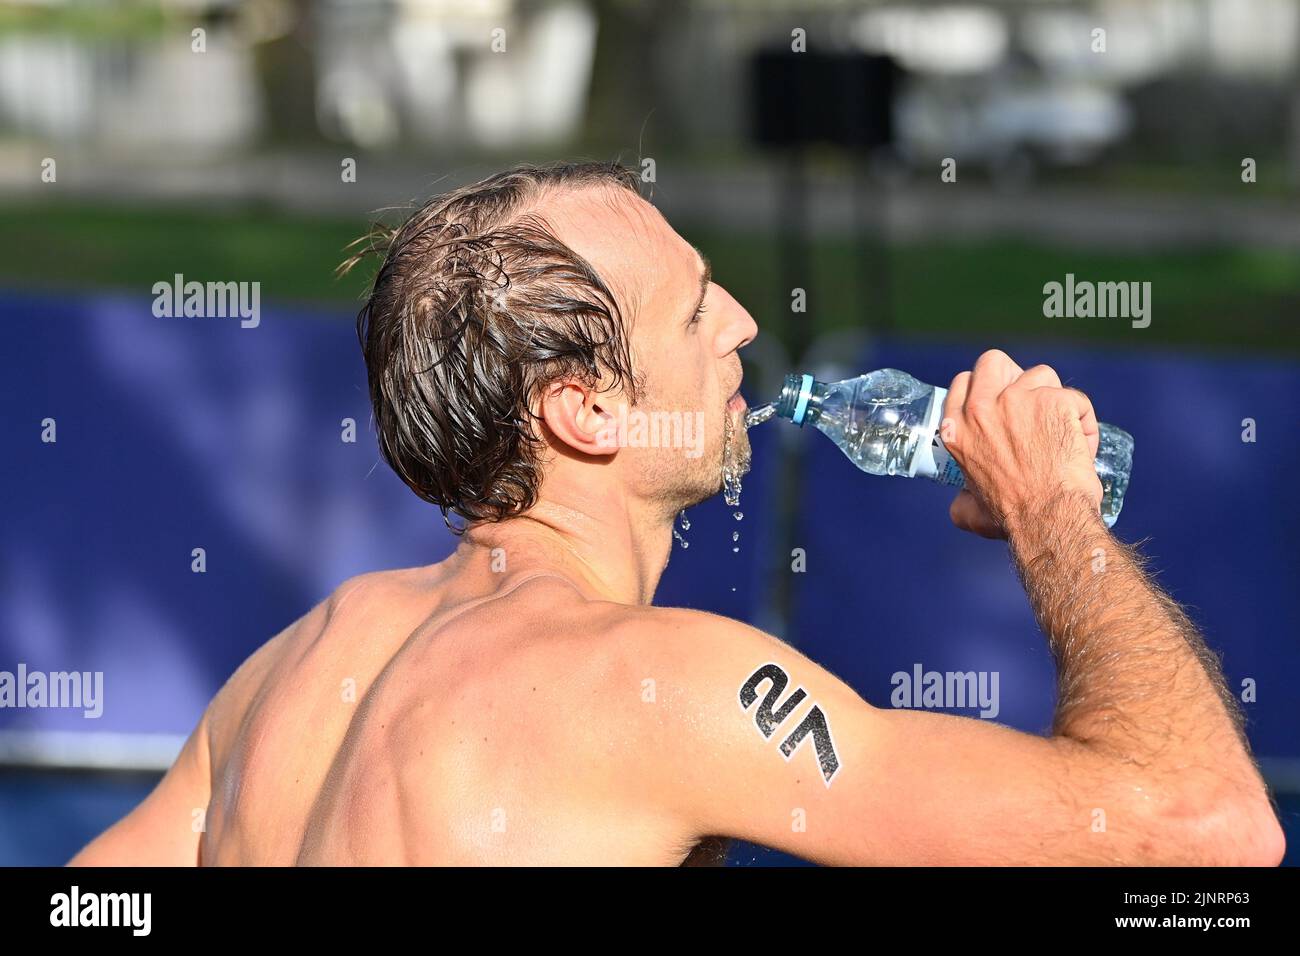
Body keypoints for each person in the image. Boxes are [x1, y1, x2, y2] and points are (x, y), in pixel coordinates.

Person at [69, 163, 1284, 866]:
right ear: (588, 410)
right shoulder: (660, 692)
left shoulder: (284, 677)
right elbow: (1205, 827)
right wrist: (1055, 513)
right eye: (699, 309)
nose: (748, 325)